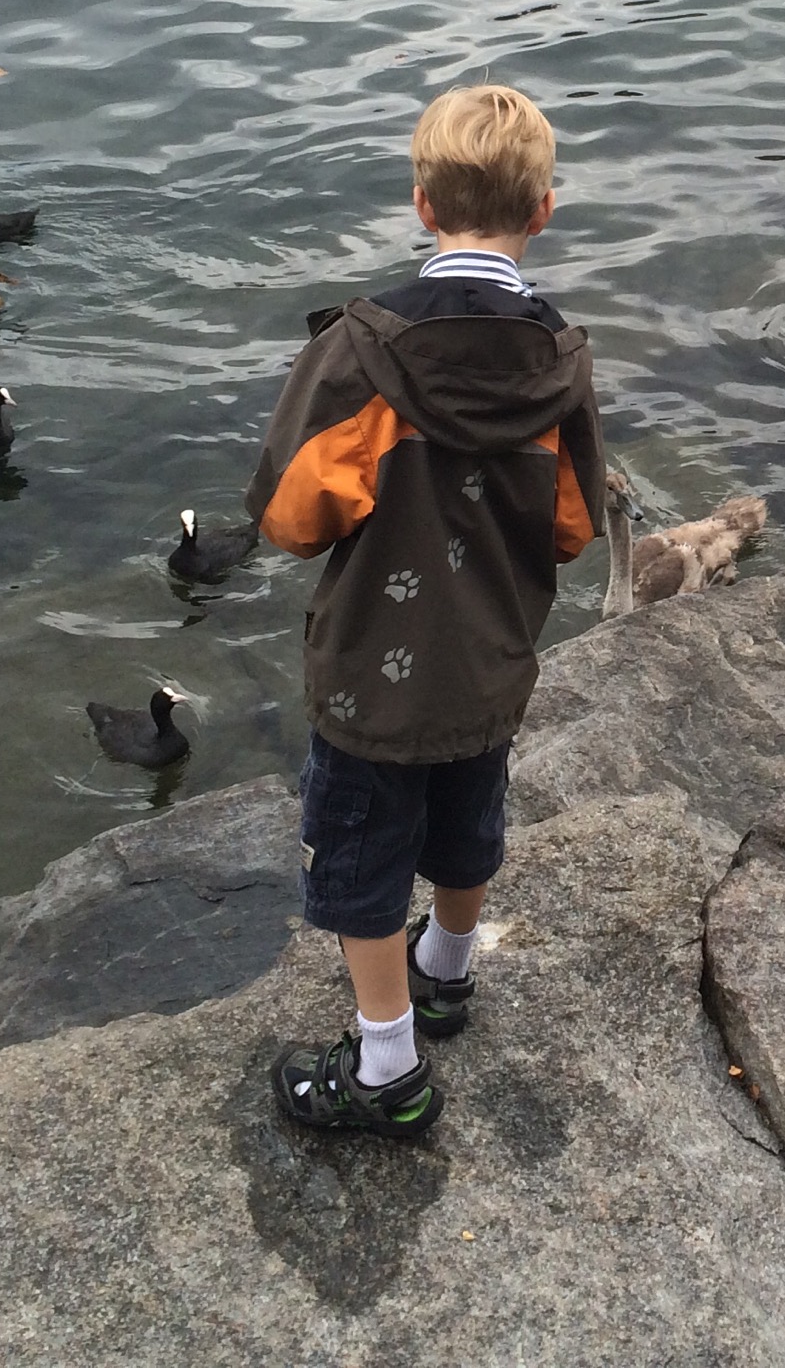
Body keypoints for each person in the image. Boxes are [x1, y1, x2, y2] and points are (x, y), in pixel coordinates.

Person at [244, 83, 606, 1137]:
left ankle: (388, 1068)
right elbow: (573, 526)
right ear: (544, 211)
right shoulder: (561, 361)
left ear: (421, 205)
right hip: (490, 657)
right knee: (467, 822)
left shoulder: (364, 353)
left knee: (360, 860)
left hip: (374, 668)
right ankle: (446, 972)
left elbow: (292, 517)